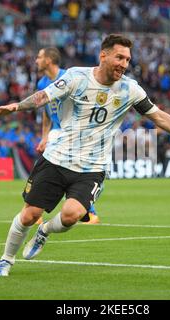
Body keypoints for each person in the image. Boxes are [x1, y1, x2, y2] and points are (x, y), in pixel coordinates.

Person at [0, 34, 170, 276]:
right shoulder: (76, 77)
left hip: (92, 167)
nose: (124, 64)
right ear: (103, 55)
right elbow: (43, 97)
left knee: (71, 216)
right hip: (57, 158)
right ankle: (6, 260)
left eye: (128, 60)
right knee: (29, 215)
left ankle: (45, 232)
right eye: (119, 57)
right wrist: (17, 106)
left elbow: (159, 117)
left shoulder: (130, 89)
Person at [35, 46, 100, 224]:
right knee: (49, 166)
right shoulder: (41, 83)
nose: (36, 60)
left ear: (49, 60)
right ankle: (37, 211)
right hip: (57, 131)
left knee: (69, 168)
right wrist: (44, 136)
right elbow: (46, 111)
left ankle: (88, 212)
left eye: (39, 57)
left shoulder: (70, 76)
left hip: (74, 131)